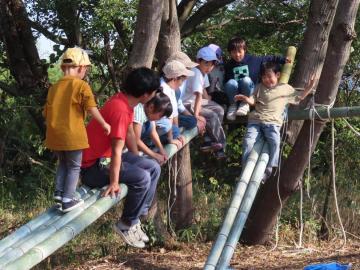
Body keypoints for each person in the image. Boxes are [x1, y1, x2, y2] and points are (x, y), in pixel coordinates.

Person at [80, 67, 162, 248]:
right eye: (154, 92)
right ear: (145, 95)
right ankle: (125, 224)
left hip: (106, 158)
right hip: (93, 167)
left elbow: (130, 134)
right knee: (142, 177)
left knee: (153, 167)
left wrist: (138, 160)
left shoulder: (125, 102)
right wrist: (114, 182)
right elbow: (117, 151)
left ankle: (135, 219)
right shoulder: (121, 110)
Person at [43, 47, 111, 213]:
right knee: (74, 166)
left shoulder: (53, 87)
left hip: (55, 136)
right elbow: (92, 108)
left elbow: (46, 112)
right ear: (81, 68)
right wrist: (104, 124)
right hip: (72, 136)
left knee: (63, 164)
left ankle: (59, 193)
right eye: (86, 69)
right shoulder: (81, 85)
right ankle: (68, 199)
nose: (85, 72)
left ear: (62, 67)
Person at [235, 62, 315, 181]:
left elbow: (300, 97)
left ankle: (269, 168)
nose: (266, 80)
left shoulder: (285, 88)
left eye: (269, 76)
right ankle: (246, 169)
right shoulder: (259, 87)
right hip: (255, 121)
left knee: (275, 142)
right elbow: (252, 100)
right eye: (263, 77)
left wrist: (309, 86)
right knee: (248, 141)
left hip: (272, 123)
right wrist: (246, 99)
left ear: (277, 75)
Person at [224, 37, 288, 120]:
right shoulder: (229, 65)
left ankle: (245, 104)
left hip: (250, 94)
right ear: (230, 53)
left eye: (240, 51)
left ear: (245, 50)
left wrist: (283, 59)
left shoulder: (253, 60)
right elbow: (226, 84)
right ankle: (233, 105)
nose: (237, 55)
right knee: (231, 82)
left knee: (246, 80)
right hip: (235, 96)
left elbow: (269, 58)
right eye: (233, 52)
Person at [182, 46, 226, 159]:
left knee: (219, 110)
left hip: (196, 101)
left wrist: (210, 103)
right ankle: (220, 144)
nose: (209, 67)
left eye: (211, 64)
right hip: (187, 104)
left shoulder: (203, 72)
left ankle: (209, 139)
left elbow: (204, 92)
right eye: (206, 63)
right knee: (212, 115)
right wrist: (197, 116)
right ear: (198, 61)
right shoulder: (196, 72)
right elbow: (198, 95)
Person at [164, 52, 206, 134]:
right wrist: (175, 133)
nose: (188, 71)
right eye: (187, 68)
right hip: (165, 118)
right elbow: (172, 112)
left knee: (192, 120)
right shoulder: (166, 86)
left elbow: (178, 104)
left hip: (173, 115)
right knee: (189, 123)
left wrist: (193, 117)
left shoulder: (180, 82)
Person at [156, 60, 195, 148]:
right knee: (167, 126)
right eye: (182, 80)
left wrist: (176, 133)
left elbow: (174, 114)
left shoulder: (170, 87)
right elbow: (169, 118)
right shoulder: (164, 90)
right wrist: (171, 139)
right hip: (157, 125)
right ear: (174, 78)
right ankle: (152, 142)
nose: (182, 84)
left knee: (189, 122)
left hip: (161, 124)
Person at [133, 91, 172, 165]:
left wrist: (162, 150)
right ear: (151, 107)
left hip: (133, 143)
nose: (159, 119)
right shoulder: (139, 111)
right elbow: (136, 140)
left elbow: (153, 131)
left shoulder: (148, 112)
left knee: (150, 126)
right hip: (123, 146)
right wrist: (155, 155)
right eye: (160, 116)